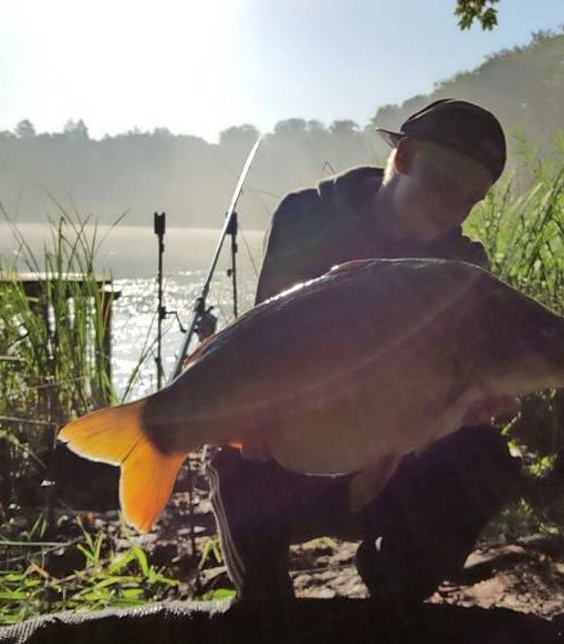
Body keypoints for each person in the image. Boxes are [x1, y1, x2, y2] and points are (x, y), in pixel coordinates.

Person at [206, 98, 526, 603]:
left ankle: (394, 598)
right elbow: (267, 342)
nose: (453, 206)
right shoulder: (309, 215)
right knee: (240, 447)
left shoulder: (464, 269)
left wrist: (473, 406)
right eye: (444, 183)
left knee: (484, 458)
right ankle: (263, 596)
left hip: (395, 461)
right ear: (405, 157)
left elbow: (457, 388)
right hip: (296, 453)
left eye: (471, 198)